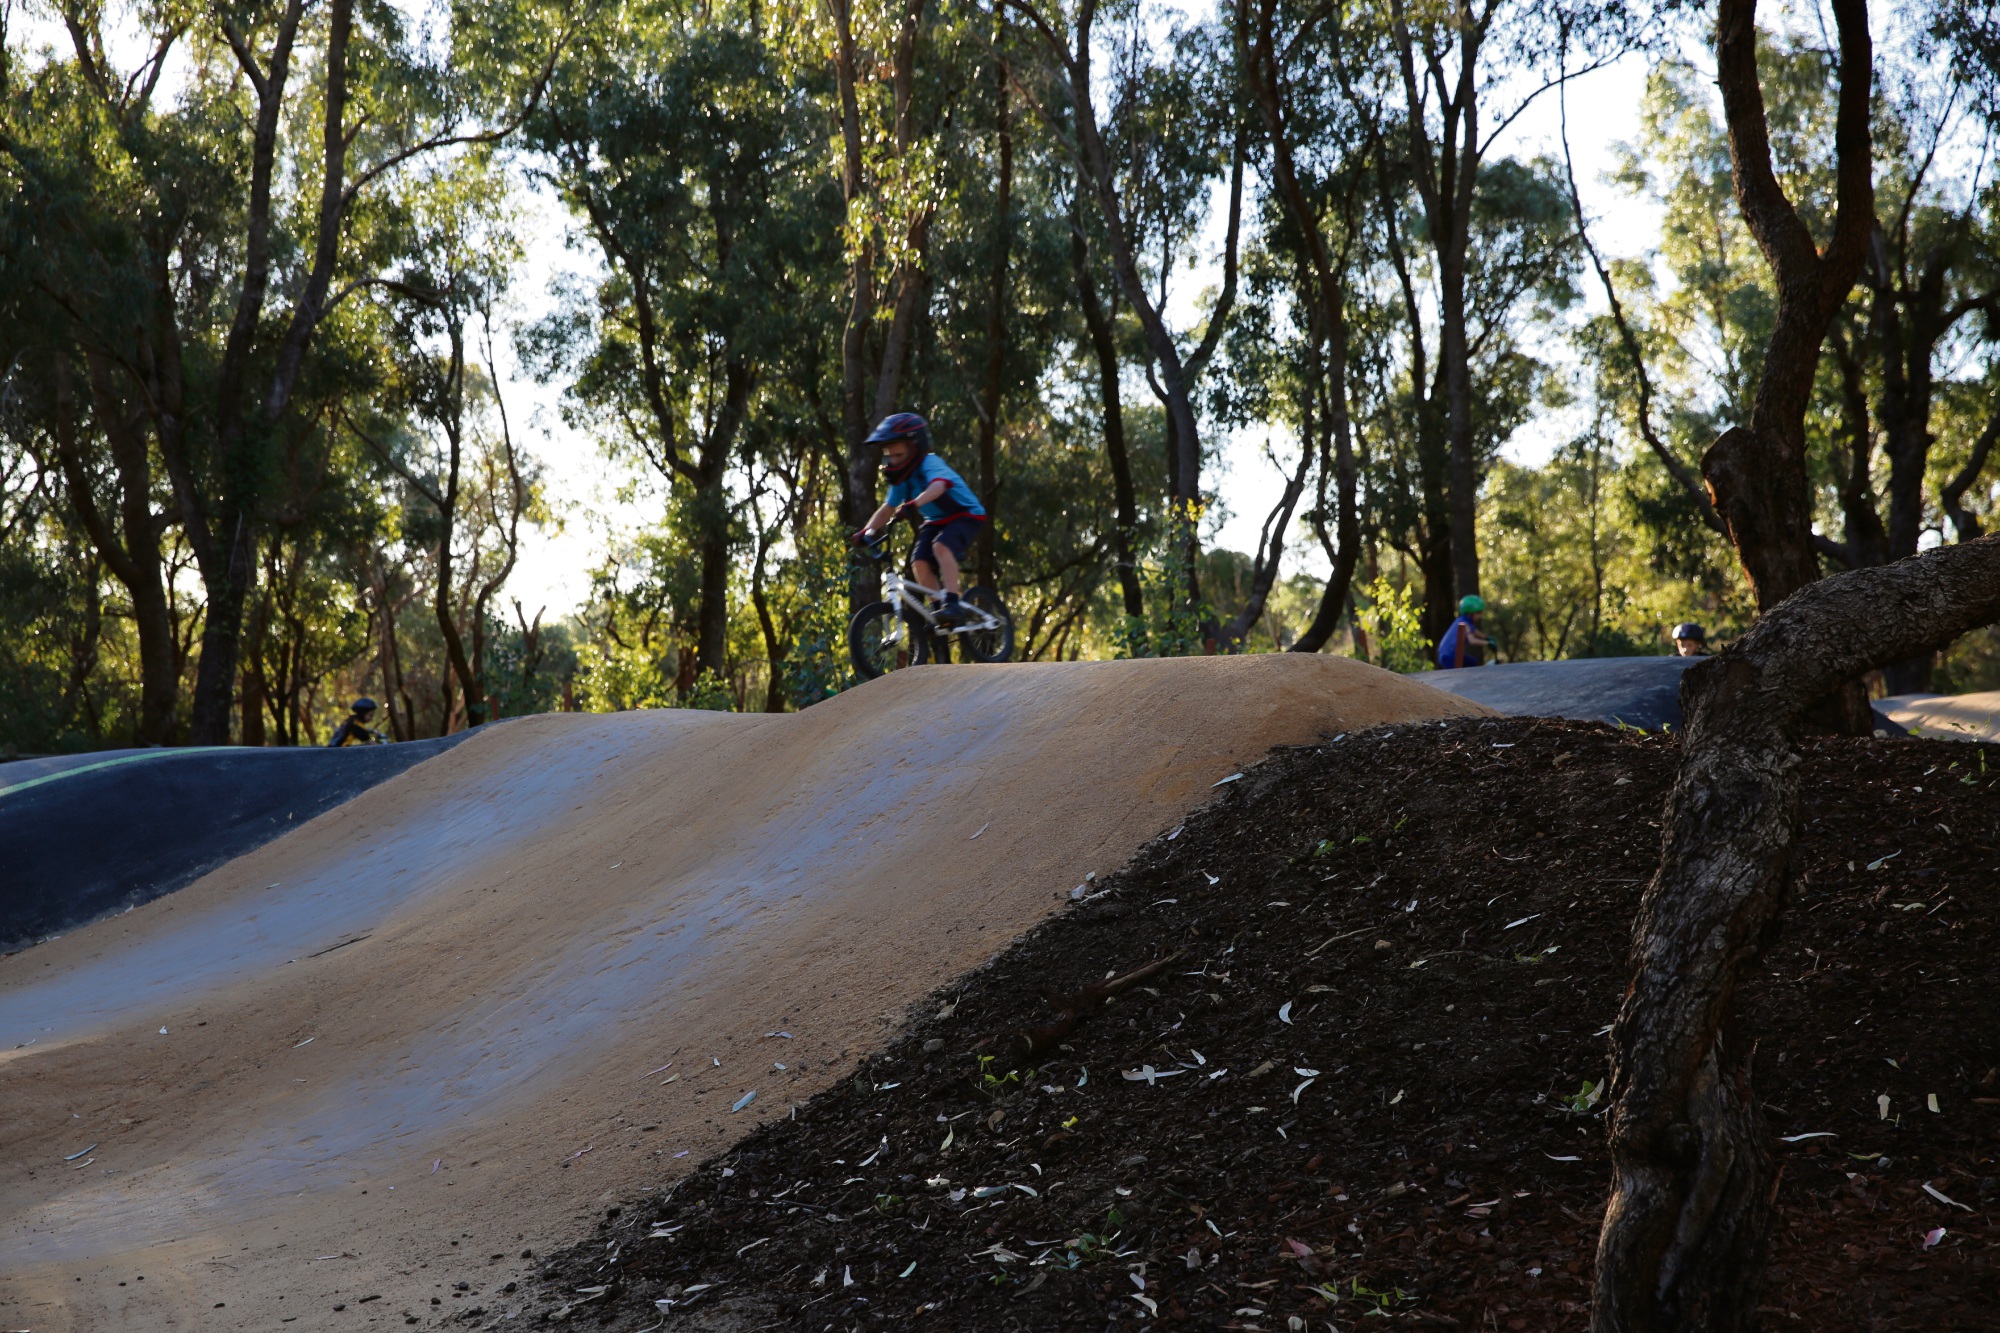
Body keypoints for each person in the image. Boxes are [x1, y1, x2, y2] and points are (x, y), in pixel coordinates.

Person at [853, 412, 987, 627]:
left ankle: (952, 603)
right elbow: (888, 508)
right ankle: (939, 611)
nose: (893, 460)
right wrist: (866, 532)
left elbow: (938, 486)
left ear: (914, 448)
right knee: (919, 562)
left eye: (898, 455)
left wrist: (913, 504)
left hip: (966, 514)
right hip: (936, 520)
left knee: (941, 546)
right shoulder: (901, 479)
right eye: (890, 456)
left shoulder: (929, 462)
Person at [1436, 594, 1492, 669]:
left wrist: (1486, 637)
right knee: (1457, 677)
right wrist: (1488, 643)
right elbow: (1472, 641)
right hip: (1448, 656)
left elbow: (1474, 631)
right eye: (1478, 613)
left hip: (1451, 654)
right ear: (1470, 613)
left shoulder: (1463, 620)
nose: (1480, 616)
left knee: (1473, 662)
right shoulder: (1464, 623)